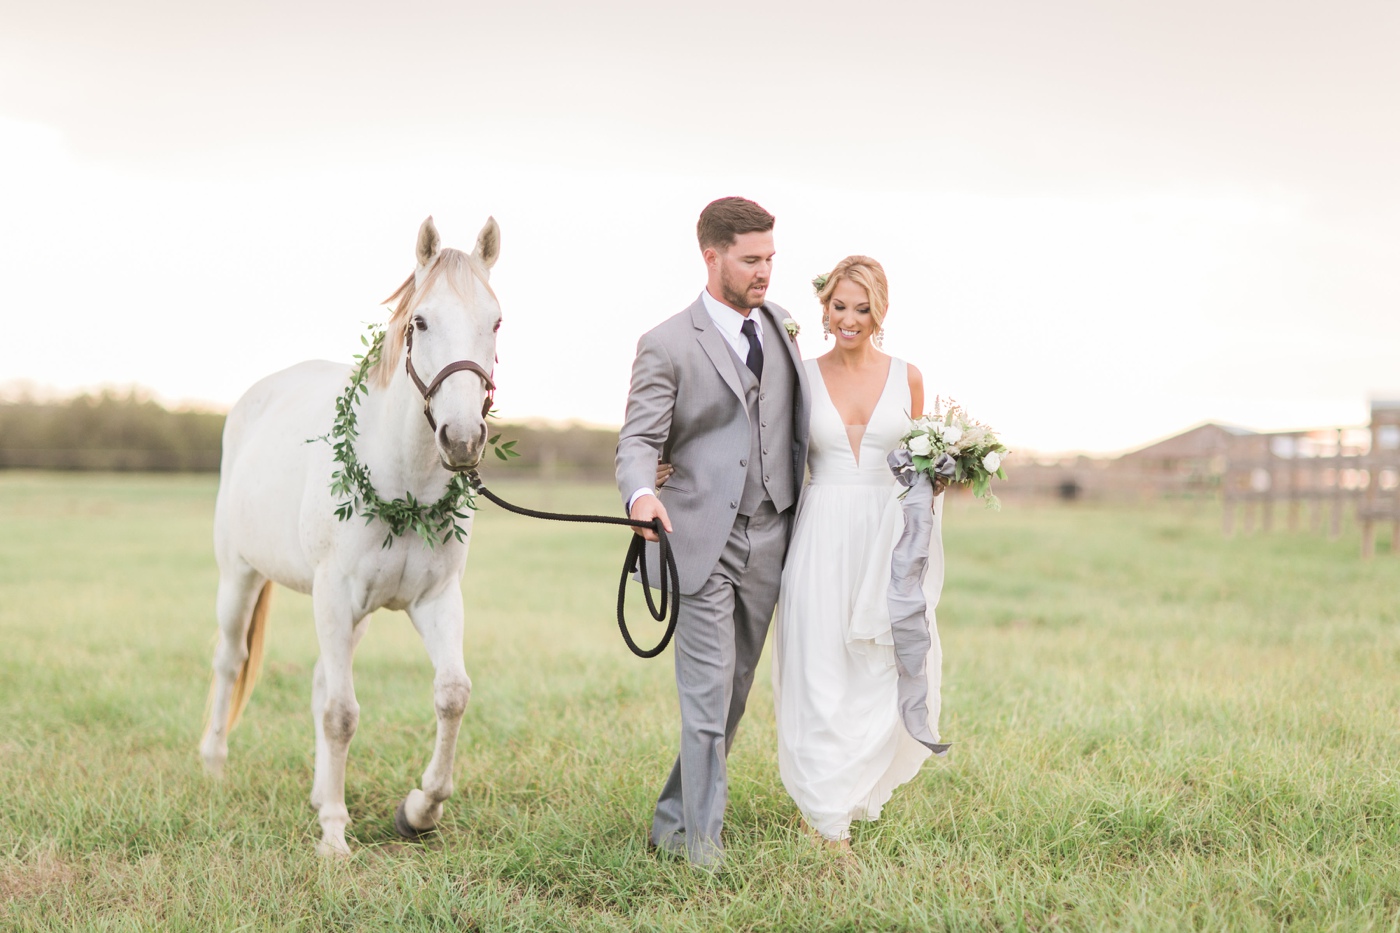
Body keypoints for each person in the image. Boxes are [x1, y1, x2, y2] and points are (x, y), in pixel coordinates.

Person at [615, 197, 811, 870]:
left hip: (772, 535)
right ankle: (703, 850)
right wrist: (641, 494)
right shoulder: (667, 343)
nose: (765, 272)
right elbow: (638, 440)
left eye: (770, 259)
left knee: (733, 695)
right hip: (699, 539)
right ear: (712, 256)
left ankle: (672, 820)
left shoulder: (782, 326)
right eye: (751, 260)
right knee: (705, 699)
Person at [771, 255, 947, 853]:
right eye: (839, 306)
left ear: (880, 312)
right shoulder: (799, 375)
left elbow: (924, 466)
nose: (849, 319)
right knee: (817, 671)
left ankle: (838, 801)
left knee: (875, 671)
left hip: (886, 535)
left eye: (862, 308)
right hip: (820, 534)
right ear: (824, 309)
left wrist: (945, 476)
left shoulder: (909, 377)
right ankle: (827, 822)